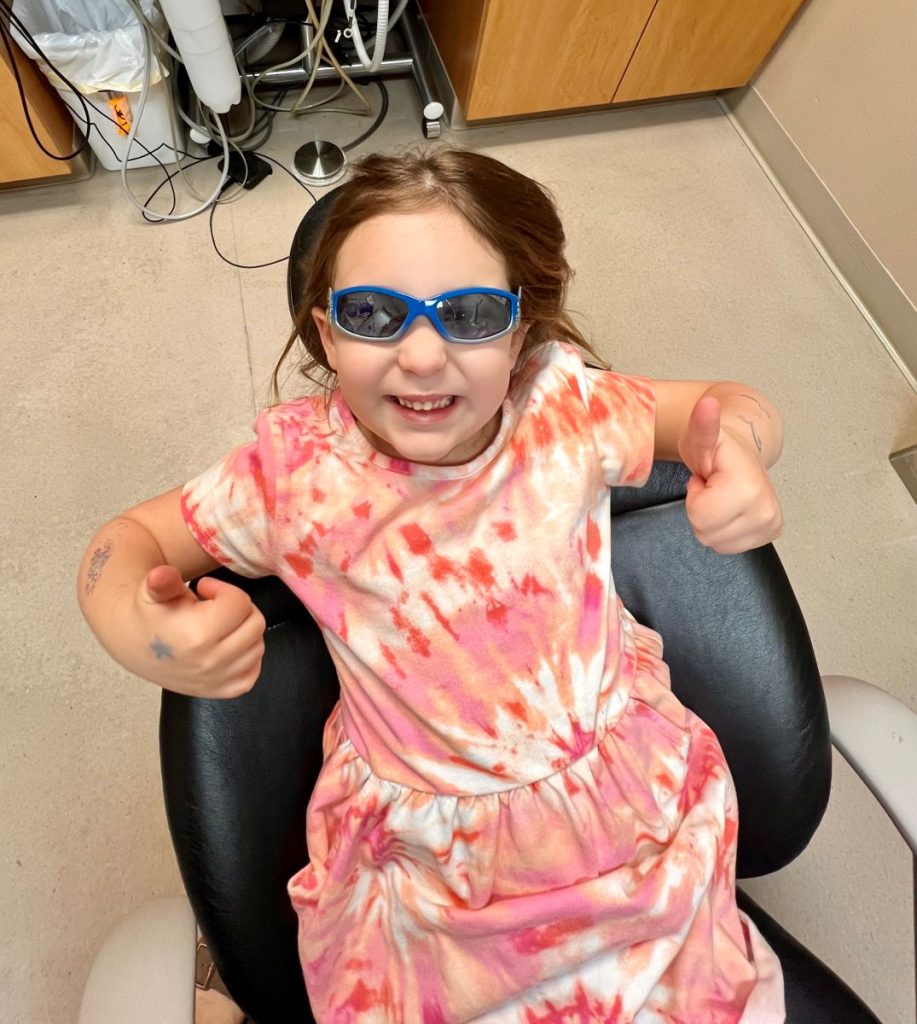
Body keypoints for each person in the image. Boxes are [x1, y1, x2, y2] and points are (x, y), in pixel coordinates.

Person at [78, 147, 786, 1022]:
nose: (421, 356)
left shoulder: (564, 407)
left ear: (521, 332)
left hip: (621, 805)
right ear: (326, 330)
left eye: (471, 314)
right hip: (430, 862)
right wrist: (136, 625)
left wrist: (741, 450)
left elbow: (724, 406)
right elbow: (128, 540)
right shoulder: (292, 475)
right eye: (373, 314)